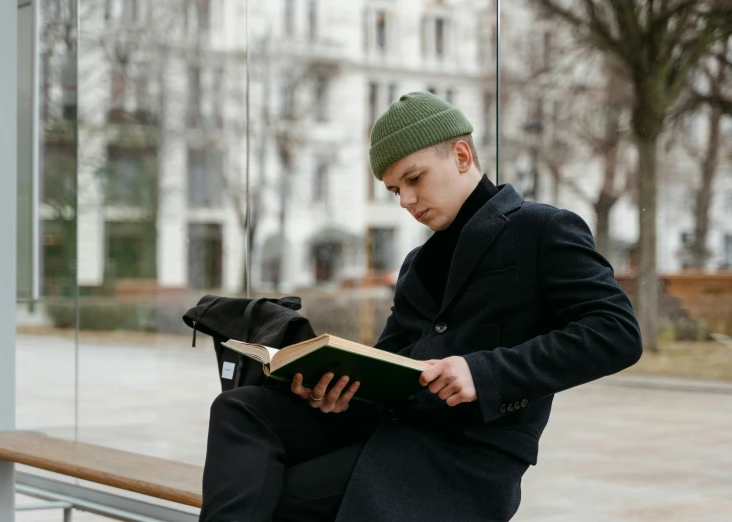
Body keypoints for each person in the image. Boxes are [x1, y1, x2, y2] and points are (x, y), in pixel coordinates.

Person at [199, 92, 642, 522]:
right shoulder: (417, 264)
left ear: (462, 157)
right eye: (394, 190)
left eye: (414, 179)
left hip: (464, 455)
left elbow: (616, 333)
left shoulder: (541, 229)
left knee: (281, 496)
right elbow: (390, 364)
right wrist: (335, 390)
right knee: (239, 409)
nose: (406, 201)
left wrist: (483, 372)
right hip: (392, 428)